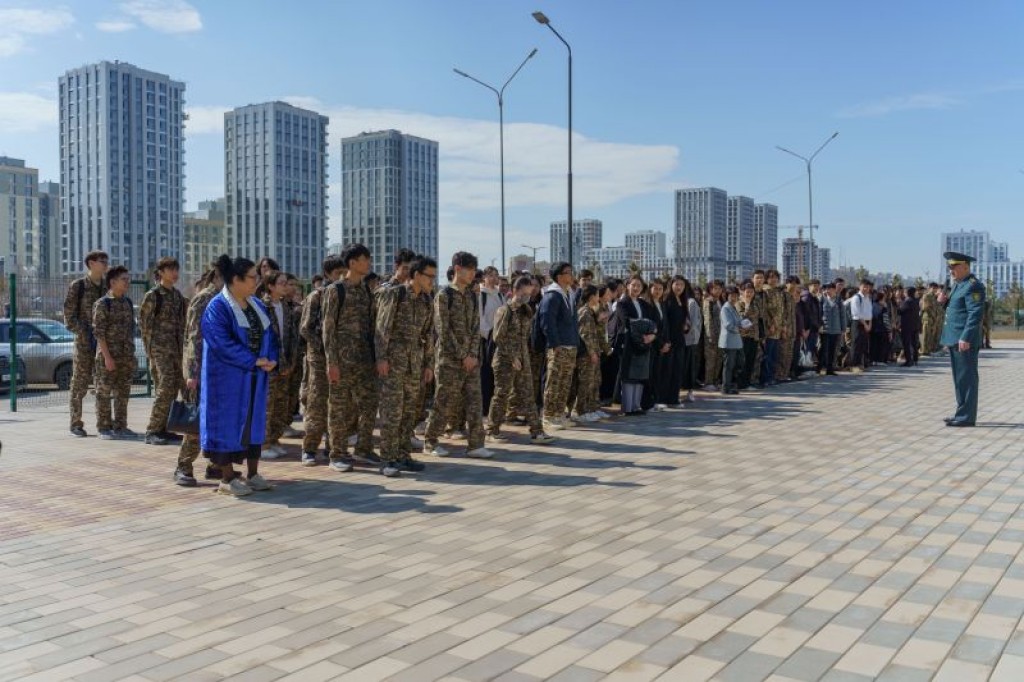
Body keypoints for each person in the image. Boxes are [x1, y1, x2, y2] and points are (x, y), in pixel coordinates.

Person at [200, 255, 277, 496]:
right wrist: (252, 360)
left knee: (253, 424)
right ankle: (226, 478)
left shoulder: (257, 306)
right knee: (226, 425)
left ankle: (253, 474)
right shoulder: (218, 307)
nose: (258, 281)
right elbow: (220, 343)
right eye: (253, 277)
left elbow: (270, 336)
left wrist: (272, 358)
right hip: (227, 379)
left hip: (255, 377)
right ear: (236, 279)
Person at [423, 251, 492, 458]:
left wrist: (472, 354)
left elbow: (474, 327)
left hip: (471, 359)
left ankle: (475, 444)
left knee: (474, 401)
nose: (472, 274)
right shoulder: (444, 296)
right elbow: (443, 330)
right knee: (444, 401)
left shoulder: (471, 295)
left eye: (474, 269)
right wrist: (463, 355)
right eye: (469, 269)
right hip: (449, 359)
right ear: (457, 269)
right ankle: (431, 442)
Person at [375, 256, 437, 476]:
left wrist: (429, 363)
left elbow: (428, 334)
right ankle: (388, 459)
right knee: (392, 412)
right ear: (417, 275)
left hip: (415, 364)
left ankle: (403, 455)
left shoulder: (427, 300)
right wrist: (382, 358)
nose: (432, 280)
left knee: (409, 412)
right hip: (393, 363)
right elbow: (382, 329)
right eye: (429, 276)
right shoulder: (395, 294)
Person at [323, 244, 378, 471]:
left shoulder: (366, 290)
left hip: (363, 360)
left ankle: (364, 448)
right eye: (365, 259)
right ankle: (337, 454)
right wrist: (331, 362)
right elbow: (327, 328)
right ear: (352, 263)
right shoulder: (336, 290)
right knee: (339, 407)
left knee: (368, 404)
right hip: (341, 361)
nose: (369, 263)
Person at [488, 275, 556, 442]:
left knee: (527, 395)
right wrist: (512, 357)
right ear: (514, 291)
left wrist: (523, 357)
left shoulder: (527, 311)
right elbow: (498, 337)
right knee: (501, 395)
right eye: (523, 293)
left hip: (523, 359)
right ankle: (492, 431)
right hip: (505, 360)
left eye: (529, 293)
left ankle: (537, 431)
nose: (526, 296)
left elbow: (525, 337)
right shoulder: (505, 311)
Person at [173, 265, 222, 487]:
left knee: (217, 420)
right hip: (200, 371)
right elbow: (193, 337)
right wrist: (192, 373)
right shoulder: (203, 299)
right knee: (195, 421)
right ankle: (183, 466)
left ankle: (217, 466)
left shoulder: (227, 299)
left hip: (220, 371)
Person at [298, 255, 345, 466]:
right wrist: (323, 349)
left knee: (337, 406)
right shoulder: (316, 296)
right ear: (327, 274)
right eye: (337, 274)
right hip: (318, 361)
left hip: (339, 360)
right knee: (316, 406)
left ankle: (332, 447)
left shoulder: (345, 294)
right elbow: (306, 328)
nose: (341, 278)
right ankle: (309, 448)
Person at [139, 257, 187, 446]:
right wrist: (150, 351)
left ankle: (165, 428)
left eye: (176, 269)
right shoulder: (153, 296)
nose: (175, 273)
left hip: (176, 350)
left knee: (173, 388)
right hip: (160, 350)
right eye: (171, 269)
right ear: (160, 272)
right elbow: (144, 326)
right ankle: (152, 430)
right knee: (165, 387)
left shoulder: (177, 296)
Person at [63, 250, 109, 437]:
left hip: (103, 343)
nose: (106, 264)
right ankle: (75, 423)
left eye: (106, 261)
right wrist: (83, 332)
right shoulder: (79, 286)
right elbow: (68, 316)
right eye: (102, 261)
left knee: (103, 384)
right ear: (91, 263)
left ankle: (104, 424)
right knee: (79, 384)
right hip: (84, 343)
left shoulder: (107, 286)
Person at [938, 251, 985, 427]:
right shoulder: (959, 285)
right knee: (960, 378)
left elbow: (975, 314)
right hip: (954, 338)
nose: (951, 271)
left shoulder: (973, 286)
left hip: (964, 340)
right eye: (949, 267)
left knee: (967, 377)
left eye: (954, 267)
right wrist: (943, 302)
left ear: (965, 266)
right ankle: (961, 412)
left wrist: (965, 337)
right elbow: (956, 311)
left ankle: (966, 417)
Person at [93, 266, 138, 440]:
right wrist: (107, 358)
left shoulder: (127, 303)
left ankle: (121, 426)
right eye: (124, 279)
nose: (128, 282)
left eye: (128, 279)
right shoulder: (103, 304)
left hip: (125, 356)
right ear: (112, 282)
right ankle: (104, 427)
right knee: (104, 392)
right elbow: (99, 333)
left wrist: (131, 355)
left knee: (123, 392)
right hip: (108, 357)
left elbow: (130, 330)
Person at [538, 262, 580, 431]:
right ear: (559, 276)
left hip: (570, 344)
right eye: (568, 272)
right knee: (554, 382)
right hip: (558, 346)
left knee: (565, 382)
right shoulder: (552, 295)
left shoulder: (569, 293)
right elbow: (547, 321)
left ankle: (559, 414)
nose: (571, 275)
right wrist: (555, 344)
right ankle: (548, 416)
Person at [260, 271, 296, 459]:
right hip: (268, 365)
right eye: (281, 283)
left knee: (281, 405)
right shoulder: (261, 306)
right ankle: (263, 445)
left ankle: (274, 439)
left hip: (284, 364)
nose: (285, 286)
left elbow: (291, 336)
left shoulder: (285, 306)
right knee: (267, 406)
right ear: (271, 286)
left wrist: (290, 362)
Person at [613, 276, 658, 415]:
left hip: (644, 343)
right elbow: (627, 321)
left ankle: (636, 406)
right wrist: (642, 332)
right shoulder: (622, 304)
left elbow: (653, 321)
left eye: (639, 286)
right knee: (628, 376)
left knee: (640, 375)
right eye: (633, 285)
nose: (636, 288)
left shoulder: (644, 304)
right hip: (628, 343)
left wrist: (652, 335)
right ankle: (627, 407)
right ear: (627, 286)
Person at [573, 284, 607, 422]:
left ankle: (592, 408)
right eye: (598, 295)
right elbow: (585, 335)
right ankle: (581, 411)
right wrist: (592, 352)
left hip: (593, 352)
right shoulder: (584, 312)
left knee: (594, 382)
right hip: (586, 354)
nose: (599, 298)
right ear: (592, 296)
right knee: (585, 383)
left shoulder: (591, 312)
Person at [478, 265, 504, 416]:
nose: (494, 278)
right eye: (491, 275)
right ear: (484, 277)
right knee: (485, 374)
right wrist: (488, 334)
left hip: (498, 339)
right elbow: (480, 318)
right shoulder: (481, 295)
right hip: (486, 339)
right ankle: (484, 408)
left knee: (496, 374)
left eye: (496, 275)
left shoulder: (500, 295)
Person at [662, 276, 689, 406]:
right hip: (670, 340)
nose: (679, 287)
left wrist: (686, 326)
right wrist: (666, 340)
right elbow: (665, 322)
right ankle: (664, 398)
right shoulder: (667, 299)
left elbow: (684, 320)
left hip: (680, 339)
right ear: (671, 285)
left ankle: (674, 398)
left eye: (681, 285)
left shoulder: (683, 300)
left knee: (678, 370)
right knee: (668, 370)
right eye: (676, 284)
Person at [719, 285, 744, 395]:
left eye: (736, 296)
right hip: (729, 341)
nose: (734, 298)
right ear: (726, 296)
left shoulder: (734, 307)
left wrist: (743, 324)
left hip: (736, 341)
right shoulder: (725, 308)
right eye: (731, 296)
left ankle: (731, 385)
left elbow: (737, 321)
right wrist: (740, 328)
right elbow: (728, 324)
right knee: (729, 365)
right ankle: (725, 387)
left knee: (738, 363)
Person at [761, 270, 784, 386]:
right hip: (770, 329)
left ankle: (772, 377)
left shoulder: (777, 292)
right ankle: (766, 378)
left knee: (774, 354)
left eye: (775, 277)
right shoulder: (766, 291)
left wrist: (782, 325)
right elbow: (766, 310)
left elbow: (781, 310)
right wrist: (771, 324)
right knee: (768, 354)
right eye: (771, 277)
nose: (773, 280)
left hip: (778, 329)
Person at [682, 278, 702, 402]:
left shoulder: (691, 302)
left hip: (688, 339)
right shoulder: (686, 302)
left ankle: (689, 390)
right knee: (687, 366)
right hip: (686, 339)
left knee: (689, 366)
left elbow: (693, 323)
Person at [849, 279, 874, 372]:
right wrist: (865, 324)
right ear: (860, 286)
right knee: (856, 344)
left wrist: (870, 324)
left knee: (863, 345)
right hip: (858, 323)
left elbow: (869, 312)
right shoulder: (856, 298)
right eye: (864, 286)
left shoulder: (868, 298)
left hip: (867, 323)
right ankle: (853, 365)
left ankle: (861, 363)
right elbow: (857, 313)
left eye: (867, 287)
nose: (866, 289)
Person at [702, 281, 723, 390]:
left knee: (719, 359)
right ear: (710, 290)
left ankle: (715, 381)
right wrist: (710, 336)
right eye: (715, 288)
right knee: (711, 359)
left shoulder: (720, 301)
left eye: (719, 288)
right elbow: (707, 319)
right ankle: (708, 382)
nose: (718, 290)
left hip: (721, 336)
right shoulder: (708, 302)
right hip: (711, 336)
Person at [819, 281, 843, 376]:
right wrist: (819, 325)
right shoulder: (822, 299)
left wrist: (843, 327)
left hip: (836, 329)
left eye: (830, 289)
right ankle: (821, 367)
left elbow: (842, 315)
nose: (827, 290)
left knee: (832, 350)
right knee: (824, 349)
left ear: (834, 290)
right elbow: (819, 313)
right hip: (825, 329)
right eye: (826, 289)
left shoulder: (838, 300)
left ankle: (830, 369)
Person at [899, 286, 921, 366]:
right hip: (914, 325)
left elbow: (900, 311)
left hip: (907, 326)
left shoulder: (907, 302)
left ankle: (909, 360)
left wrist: (899, 304)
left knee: (906, 343)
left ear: (907, 293)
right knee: (914, 343)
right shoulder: (916, 301)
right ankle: (915, 359)